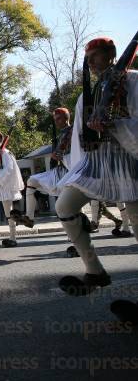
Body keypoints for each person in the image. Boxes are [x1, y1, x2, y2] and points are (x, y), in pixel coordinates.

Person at [55, 37, 138, 300]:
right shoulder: (87, 94)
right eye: (88, 57)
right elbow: (81, 139)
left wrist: (114, 124)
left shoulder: (134, 81)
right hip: (97, 163)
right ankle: (95, 271)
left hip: (130, 160)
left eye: (96, 56)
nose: (91, 62)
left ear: (111, 55)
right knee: (64, 207)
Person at [15, 108, 72, 228]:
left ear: (66, 118)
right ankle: (29, 218)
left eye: (59, 119)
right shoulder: (62, 134)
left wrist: (62, 157)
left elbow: (77, 154)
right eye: (55, 119)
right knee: (32, 181)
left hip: (71, 173)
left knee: (68, 208)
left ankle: (78, 238)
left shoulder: (74, 133)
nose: (56, 122)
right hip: (59, 172)